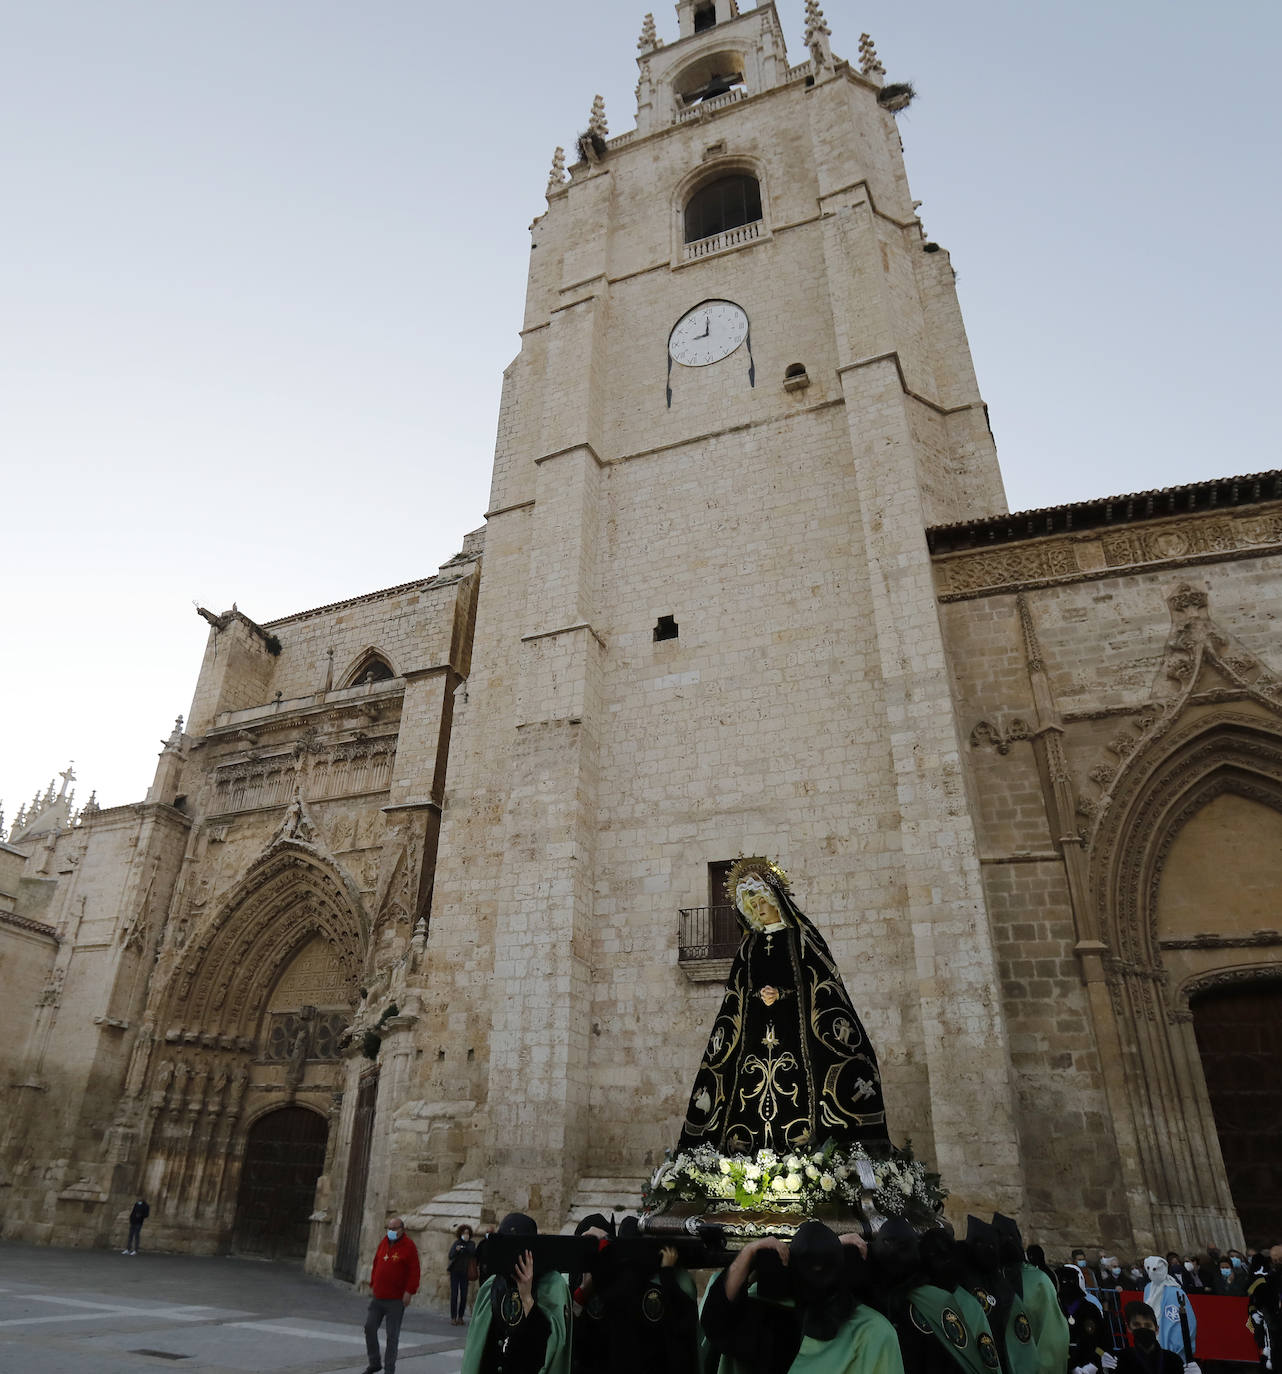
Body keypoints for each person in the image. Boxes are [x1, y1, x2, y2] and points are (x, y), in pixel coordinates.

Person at [677, 857, 888, 1155]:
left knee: (800, 1092)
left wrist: (784, 994)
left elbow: (821, 983)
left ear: (776, 899)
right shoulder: (748, 946)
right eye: (752, 905)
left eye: (762, 901)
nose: (758, 909)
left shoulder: (801, 937)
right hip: (754, 1039)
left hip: (796, 1035)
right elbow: (736, 995)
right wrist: (757, 996)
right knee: (746, 1094)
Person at [702, 1221, 904, 1374]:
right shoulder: (873, 1330)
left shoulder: (765, 1317)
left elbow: (715, 1320)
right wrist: (830, 1247)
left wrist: (749, 1252)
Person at [462, 1211, 570, 1374]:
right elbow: (478, 1346)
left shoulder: (551, 1286)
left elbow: (548, 1347)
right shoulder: (491, 1285)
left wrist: (527, 1296)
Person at [364, 1215, 420, 1374]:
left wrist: (409, 1291)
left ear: (402, 1229)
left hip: (396, 1300)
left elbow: (414, 1271)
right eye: (389, 1228)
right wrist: (373, 1282)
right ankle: (374, 1362)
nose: (391, 1231)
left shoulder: (409, 1246)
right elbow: (377, 1262)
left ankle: (389, 1369)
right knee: (369, 1327)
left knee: (392, 1336)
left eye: (394, 1228)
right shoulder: (384, 1242)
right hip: (378, 1297)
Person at [1099, 1301, 1200, 1374]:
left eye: (1148, 1325)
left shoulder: (1173, 1360)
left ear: (1157, 1329)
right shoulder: (1120, 1359)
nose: (1143, 1329)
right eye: (1137, 1325)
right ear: (1129, 1328)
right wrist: (1101, 1359)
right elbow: (1093, 1348)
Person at [1142, 1257, 1196, 1362]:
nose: (1153, 1272)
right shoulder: (1148, 1288)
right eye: (1149, 1269)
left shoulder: (1176, 1292)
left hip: (1173, 1346)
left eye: (1156, 1269)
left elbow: (1187, 1322)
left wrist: (1178, 1346)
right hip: (1153, 1338)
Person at [449, 1224, 477, 1326]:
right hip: (455, 1272)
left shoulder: (471, 1244)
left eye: (467, 1233)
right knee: (454, 1295)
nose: (466, 1235)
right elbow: (451, 1255)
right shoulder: (456, 1243)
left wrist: (463, 1247)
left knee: (464, 1295)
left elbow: (472, 1252)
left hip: (465, 1273)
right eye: (464, 1233)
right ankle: (453, 1317)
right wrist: (457, 1250)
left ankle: (460, 1317)